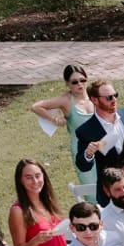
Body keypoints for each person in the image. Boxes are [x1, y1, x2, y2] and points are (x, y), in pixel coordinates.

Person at [31, 64, 98, 193]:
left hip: (102, 145)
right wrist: (54, 119)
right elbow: (36, 107)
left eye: (82, 80)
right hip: (82, 149)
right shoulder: (66, 100)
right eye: (74, 82)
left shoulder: (94, 94)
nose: (80, 84)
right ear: (67, 84)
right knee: (92, 188)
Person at [6, 157, 70, 246]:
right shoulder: (18, 211)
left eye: (37, 175)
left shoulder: (48, 201)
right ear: (20, 180)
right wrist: (36, 240)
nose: (35, 181)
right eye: (28, 178)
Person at [74, 80, 124, 183]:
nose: (114, 100)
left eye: (115, 95)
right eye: (109, 98)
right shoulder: (86, 131)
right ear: (94, 100)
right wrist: (88, 153)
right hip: (113, 187)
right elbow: (83, 166)